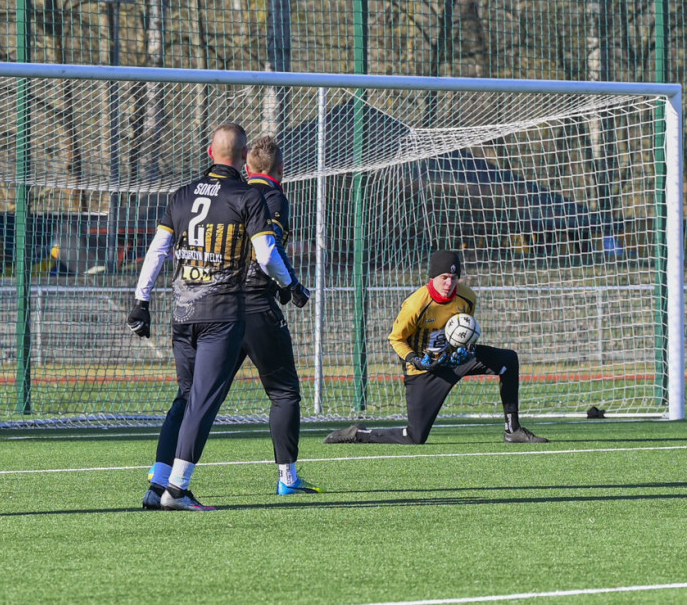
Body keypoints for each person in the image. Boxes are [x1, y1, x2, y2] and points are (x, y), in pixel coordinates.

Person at [127, 123, 299, 511]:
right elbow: (267, 254)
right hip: (221, 313)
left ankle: (157, 482)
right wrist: (289, 286)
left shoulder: (181, 195)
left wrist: (141, 301)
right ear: (242, 158)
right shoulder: (248, 196)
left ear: (209, 152)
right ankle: (178, 489)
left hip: (182, 311)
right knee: (203, 400)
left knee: (186, 397)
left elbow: (156, 251)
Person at [323, 250, 548, 446]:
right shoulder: (416, 304)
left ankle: (513, 429)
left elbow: (463, 330)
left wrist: (463, 348)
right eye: (444, 277)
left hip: (454, 359)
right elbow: (395, 338)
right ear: (432, 277)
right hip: (425, 369)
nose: (449, 283)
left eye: (453, 278)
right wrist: (414, 359)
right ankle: (359, 433)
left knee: (508, 360)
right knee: (415, 437)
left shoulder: (467, 297)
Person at [235, 135, 320, 494]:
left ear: (246, 165)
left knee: (200, 393)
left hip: (217, 304)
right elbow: (268, 252)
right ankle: (288, 478)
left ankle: (165, 470)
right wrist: (292, 286)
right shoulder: (273, 197)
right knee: (284, 393)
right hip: (256, 304)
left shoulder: (230, 193)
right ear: (280, 169)